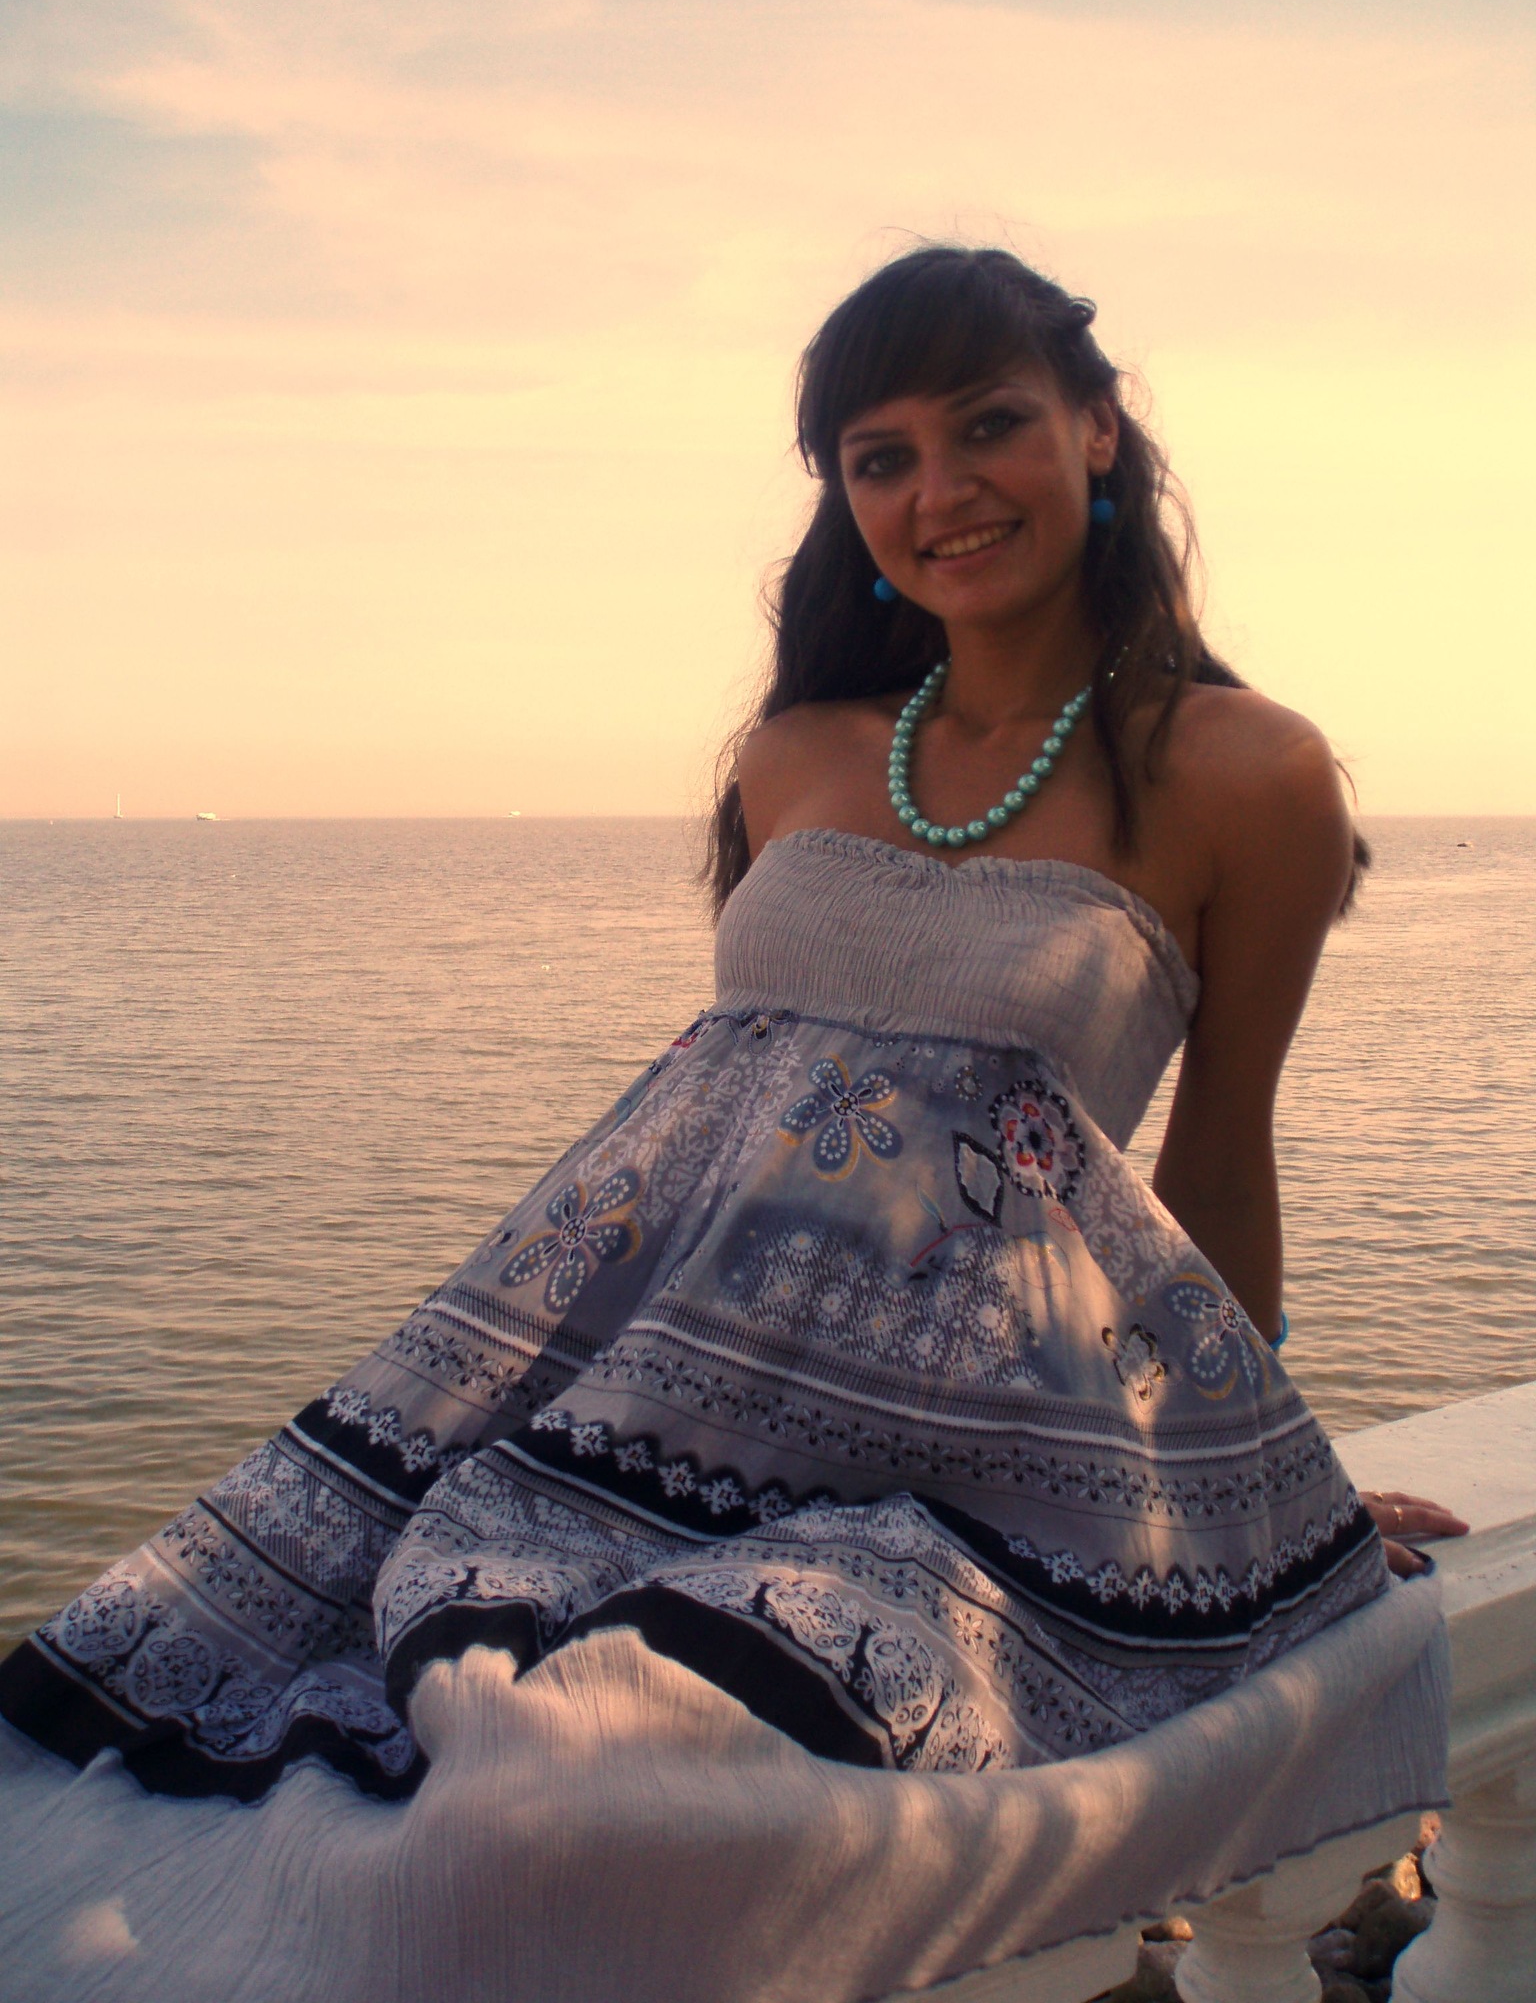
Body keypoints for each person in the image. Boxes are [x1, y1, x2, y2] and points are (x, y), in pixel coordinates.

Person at [0, 248, 1461, 1945]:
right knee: (256, 1680)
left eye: (989, 426)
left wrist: (1260, 1481)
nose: (940, 491)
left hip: (964, 1448)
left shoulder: (1248, 773)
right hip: (652, 1376)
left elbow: (1216, 1159)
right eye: (882, 457)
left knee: (611, 1771)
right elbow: (732, 1116)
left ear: (1097, 431)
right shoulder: (799, 753)